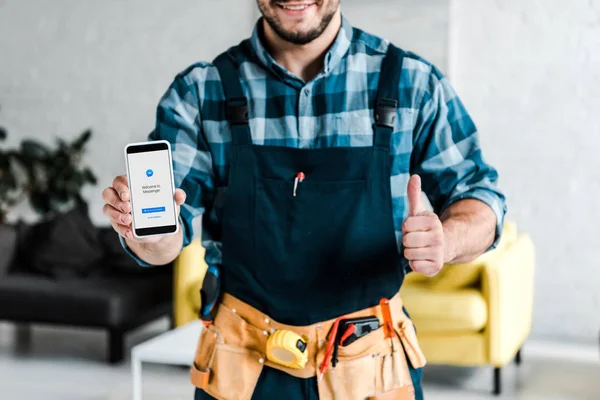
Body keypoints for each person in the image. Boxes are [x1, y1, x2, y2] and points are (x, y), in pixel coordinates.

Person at [102, 1, 506, 399]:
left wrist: (447, 241)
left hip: (372, 372)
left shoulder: (413, 84)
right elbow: (165, 239)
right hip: (241, 370)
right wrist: (147, 232)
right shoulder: (199, 92)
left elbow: (480, 197)